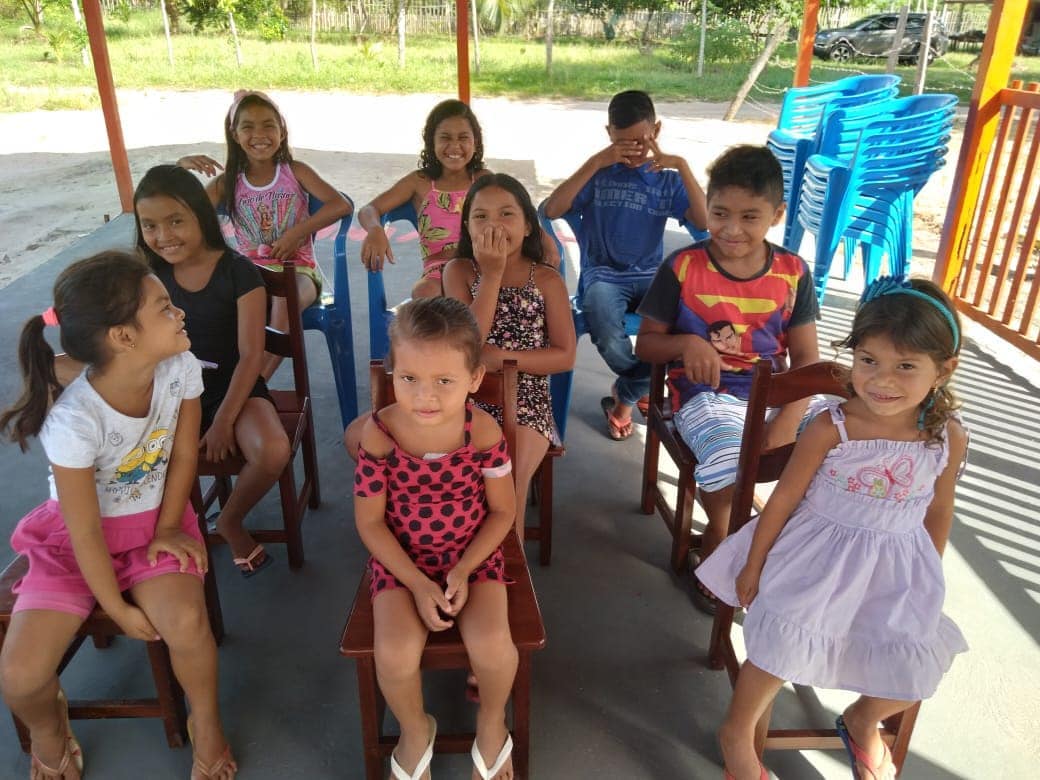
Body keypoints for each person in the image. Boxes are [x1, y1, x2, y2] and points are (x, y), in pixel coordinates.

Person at [695, 276, 969, 780]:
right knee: (782, 643)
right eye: (869, 361)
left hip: (895, 565)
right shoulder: (832, 425)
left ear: (943, 370)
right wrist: (752, 565)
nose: (882, 380)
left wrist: (929, 578)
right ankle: (736, 731)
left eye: (905, 366)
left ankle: (863, 718)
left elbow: (937, 509)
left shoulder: (946, 436)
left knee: (917, 661)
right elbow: (783, 500)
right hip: (815, 558)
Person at [0, 252, 236, 780]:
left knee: (187, 624)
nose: (180, 314)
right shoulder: (73, 421)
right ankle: (48, 728)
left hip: (154, 525)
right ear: (124, 338)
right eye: (165, 308)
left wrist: (172, 525)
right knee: (18, 676)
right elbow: (83, 531)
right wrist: (115, 606)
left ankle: (207, 720)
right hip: (74, 546)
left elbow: (182, 455)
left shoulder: (180, 369)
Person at [635, 145, 819, 613]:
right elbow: (646, 344)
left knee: (844, 430)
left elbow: (806, 360)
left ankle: (795, 542)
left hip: (777, 392)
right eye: (719, 213)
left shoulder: (793, 272)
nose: (732, 230)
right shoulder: (683, 267)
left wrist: (787, 417)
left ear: (776, 215)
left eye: (750, 217)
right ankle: (724, 537)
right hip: (705, 395)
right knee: (725, 452)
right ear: (706, 207)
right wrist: (686, 344)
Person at [353, 297, 518, 780]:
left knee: (493, 645)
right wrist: (419, 583)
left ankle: (491, 723)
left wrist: (463, 568)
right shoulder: (379, 434)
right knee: (395, 653)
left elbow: (503, 510)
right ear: (392, 373)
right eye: (409, 379)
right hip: (400, 563)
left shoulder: (482, 431)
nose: (424, 397)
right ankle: (413, 728)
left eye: (443, 381)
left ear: (473, 378)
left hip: (473, 557)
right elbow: (370, 523)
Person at [135, 164, 291, 578]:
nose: (163, 236)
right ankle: (162, 536)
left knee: (272, 451)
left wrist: (223, 421)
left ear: (200, 216)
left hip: (232, 388)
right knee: (130, 458)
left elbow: (251, 354)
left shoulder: (237, 271)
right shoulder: (147, 276)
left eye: (175, 221)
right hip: (169, 393)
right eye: (150, 225)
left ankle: (230, 518)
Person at [543, 89, 708, 441]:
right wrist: (596, 162)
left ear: (656, 131)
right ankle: (641, 386)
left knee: (692, 323)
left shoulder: (666, 179)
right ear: (609, 136)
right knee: (600, 314)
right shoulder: (600, 173)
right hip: (603, 277)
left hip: (651, 277)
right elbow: (551, 210)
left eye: (640, 141)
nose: (632, 152)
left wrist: (681, 165)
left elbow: (705, 221)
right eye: (622, 143)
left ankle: (626, 394)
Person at [177, 89, 351, 380]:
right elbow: (184, 216)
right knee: (208, 306)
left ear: (282, 131)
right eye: (248, 127)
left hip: (300, 273)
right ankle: (234, 387)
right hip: (250, 277)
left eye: (269, 125)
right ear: (234, 134)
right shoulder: (227, 183)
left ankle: (252, 387)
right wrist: (180, 171)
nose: (260, 134)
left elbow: (340, 205)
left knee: (285, 296)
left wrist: (297, 234)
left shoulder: (294, 171)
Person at [443, 174, 577, 539]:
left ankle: (504, 574)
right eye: (481, 217)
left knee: (508, 478)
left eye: (506, 214)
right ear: (467, 227)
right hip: (464, 397)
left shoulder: (547, 280)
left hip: (527, 399)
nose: (494, 226)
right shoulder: (458, 271)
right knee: (446, 475)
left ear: (528, 226)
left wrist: (503, 359)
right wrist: (491, 276)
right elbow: (468, 346)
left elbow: (564, 356)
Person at [357, 99, 491, 299]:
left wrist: (543, 237)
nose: (454, 146)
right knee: (423, 292)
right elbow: (369, 209)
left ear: (476, 142)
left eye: (463, 137)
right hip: (438, 273)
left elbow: (516, 212)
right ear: (431, 142)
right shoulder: (420, 182)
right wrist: (375, 230)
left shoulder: (483, 180)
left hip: (483, 265)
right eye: (445, 137)